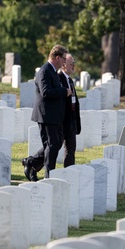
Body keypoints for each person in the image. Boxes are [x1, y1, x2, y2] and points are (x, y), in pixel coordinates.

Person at [23, 45, 69, 181]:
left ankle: (31, 162)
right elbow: (46, 92)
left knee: (55, 143)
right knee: (52, 145)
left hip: (53, 115)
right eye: (64, 59)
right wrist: (64, 91)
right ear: (57, 57)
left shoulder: (53, 71)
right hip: (46, 115)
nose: (65, 62)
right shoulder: (45, 71)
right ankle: (49, 176)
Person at [61, 53, 82, 167]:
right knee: (53, 148)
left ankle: (68, 172)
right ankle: (33, 162)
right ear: (63, 65)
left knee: (71, 149)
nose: (74, 66)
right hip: (63, 121)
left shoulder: (70, 80)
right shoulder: (59, 78)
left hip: (71, 121)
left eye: (74, 63)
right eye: (71, 63)